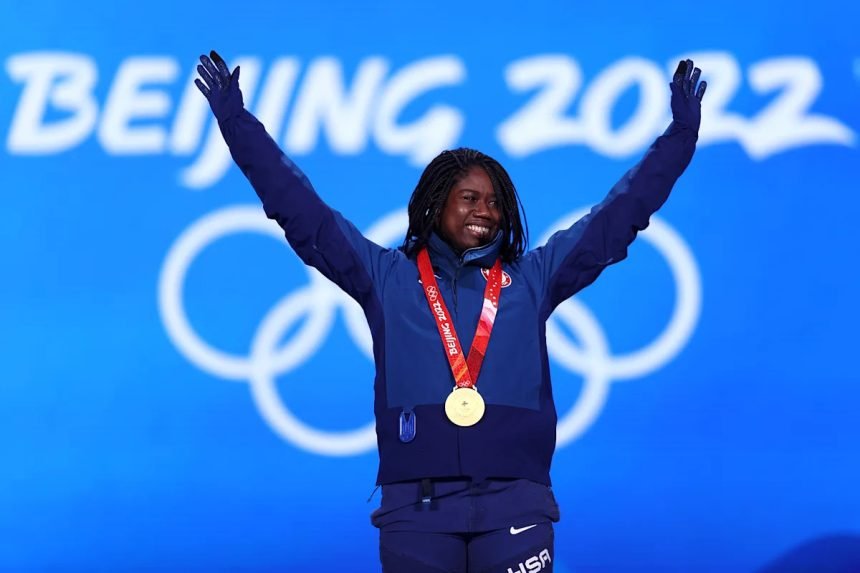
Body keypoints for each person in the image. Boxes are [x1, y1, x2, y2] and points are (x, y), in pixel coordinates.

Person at [195, 50, 706, 573]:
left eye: (495, 202)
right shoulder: (386, 279)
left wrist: (680, 139)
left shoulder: (533, 280)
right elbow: (303, 213)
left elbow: (616, 218)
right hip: (417, 512)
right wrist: (236, 124)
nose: (485, 211)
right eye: (469, 198)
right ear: (435, 205)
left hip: (516, 504)